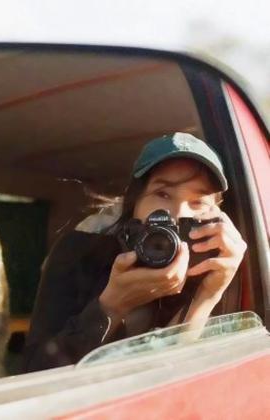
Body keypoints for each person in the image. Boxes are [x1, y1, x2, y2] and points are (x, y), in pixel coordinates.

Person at [23, 132, 247, 373]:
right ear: (134, 203)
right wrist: (111, 306)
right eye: (163, 194)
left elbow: (174, 379)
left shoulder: (214, 264)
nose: (178, 213)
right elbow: (36, 372)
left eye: (198, 202)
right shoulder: (78, 252)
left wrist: (209, 292)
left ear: (215, 217)